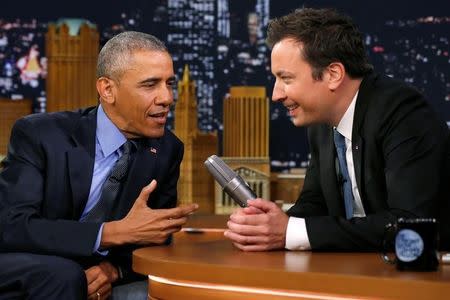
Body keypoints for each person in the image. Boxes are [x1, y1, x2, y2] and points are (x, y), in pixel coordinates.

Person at [224, 8, 450, 252]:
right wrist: (266, 225)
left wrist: (289, 231)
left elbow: (409, 225)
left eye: (286, 79)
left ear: (333, 74)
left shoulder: (403, 112)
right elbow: (314, 204)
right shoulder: (322, 123)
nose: (276, 94)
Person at [0, 31, 198, 299]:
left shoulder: (167, 149)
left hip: (87, 270)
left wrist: (113, 269)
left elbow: (155, 237)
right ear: (107, 90)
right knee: (64, 275)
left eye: (169, 84)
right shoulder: (40, 134)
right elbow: (13, 227)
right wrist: (111, 233)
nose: (167, 98)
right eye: (150, 85)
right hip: (23, 262)